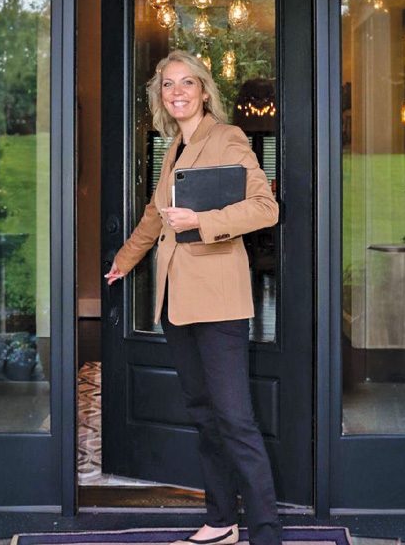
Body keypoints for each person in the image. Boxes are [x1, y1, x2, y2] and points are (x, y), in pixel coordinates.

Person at [104, 50, 281, 545]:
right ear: (160, 96)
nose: (177, 91)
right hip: (177, 304)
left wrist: (203, 222)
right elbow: (156, 214)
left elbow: (265, 208)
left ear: (205, 91)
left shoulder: (227, 138)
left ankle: (267, 531)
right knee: (204, 416)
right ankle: (221, 520)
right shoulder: (174, 148)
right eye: (167, 85)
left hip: (220, 303)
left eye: (187, 83)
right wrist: (125, 260)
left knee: (234, 420)